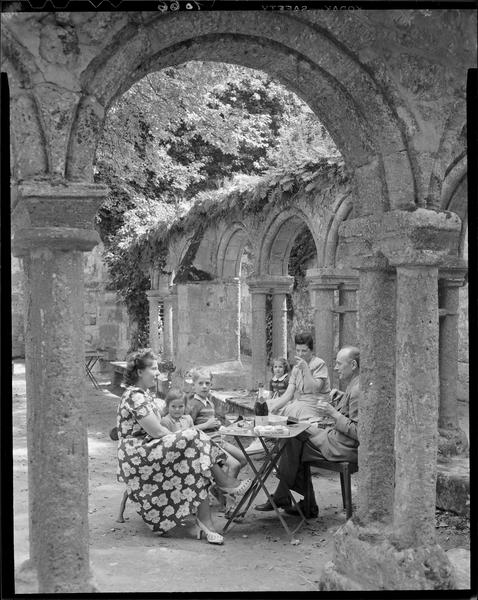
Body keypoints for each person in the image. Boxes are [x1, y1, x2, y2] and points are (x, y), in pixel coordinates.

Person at [116, 349, 251, 545]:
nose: (157, 372)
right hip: (138, 455)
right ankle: (225, 485)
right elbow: (157, 432)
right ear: (139, 372)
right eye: (153, 368)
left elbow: (160, 427)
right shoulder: (135, 396)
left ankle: (208, 523)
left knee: (196, 457)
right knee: (194, 438)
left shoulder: (143, 395)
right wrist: (183, 440)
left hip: (149, 449)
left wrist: (184, 441)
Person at [255, 345, 360, 518]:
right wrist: (340, 398)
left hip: (343, 446)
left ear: (353, 365)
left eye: (340, 364)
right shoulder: (354, 385)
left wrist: (333, 413)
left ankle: (289, 497)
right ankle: (299, 502)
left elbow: (358, 432)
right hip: (335, 438)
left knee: (293, 439)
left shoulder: (357, 389)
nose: (335, 367)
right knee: (294, 431)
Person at [187, 367, 247, 478]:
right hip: (207, 444)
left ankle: (219, 484)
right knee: (234, 465)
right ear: (193, 386)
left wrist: (218, 426)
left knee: (243, 459)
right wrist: (206, 425)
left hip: (218, 440)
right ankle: (224, 492)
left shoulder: (210, 403)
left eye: (207, 383)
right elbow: (187, 429)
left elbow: (211, 423)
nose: (204, 386)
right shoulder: (193, 404)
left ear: (211, 385)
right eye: (200, 383)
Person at [268, 332, 331, 421]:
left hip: (316, 405)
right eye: (298, 350)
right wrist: (275, 406)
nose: (300, 354)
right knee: (266, 405)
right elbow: (288, 394)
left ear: (311, 351)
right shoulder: (296, 368)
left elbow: (315, 389)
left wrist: (306, 368)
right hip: (301, 402)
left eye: (304, 351)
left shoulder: (319, 364)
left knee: (292, 411)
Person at [245, 357, 290, 456]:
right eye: (275, 367)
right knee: (262, 410)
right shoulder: (272, 380)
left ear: (285, 369)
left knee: (271, 415)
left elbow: (288, 394)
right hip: (275, 399)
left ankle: (267, 440)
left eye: (280, 367)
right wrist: (268, 401)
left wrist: (275, 403)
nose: (277, 369)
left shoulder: (286, 380)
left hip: (284, 401)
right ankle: (259, 438)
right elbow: (271, 393)